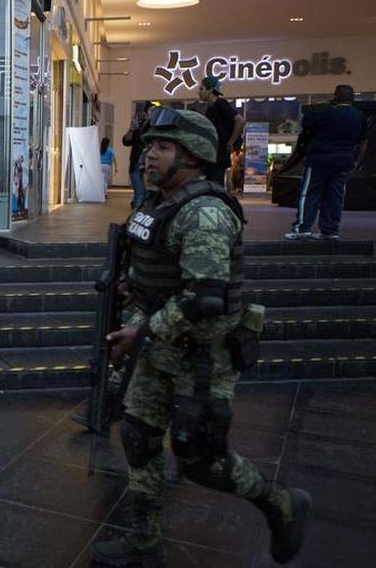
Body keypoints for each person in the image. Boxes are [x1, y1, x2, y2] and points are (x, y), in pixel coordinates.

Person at [92, 110, 311, 567]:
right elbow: (157, 268)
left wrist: (142, 330)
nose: (149, 155)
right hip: (159, 347)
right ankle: (144, 540)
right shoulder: (158, 203)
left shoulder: (205, 212)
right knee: (139, 437)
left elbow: (204, 299)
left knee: (200, 459)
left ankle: (281, 504)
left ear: (193, 158)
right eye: (150, 146)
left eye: (162, 148)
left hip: (201, 357)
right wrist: (135, 289)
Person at [284, 84, 368, 241]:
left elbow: (306, 122)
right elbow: (363, 142)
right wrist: (356, 161)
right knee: (335, 196)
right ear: (352, 98)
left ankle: (302, 229)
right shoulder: (359, 116)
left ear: (336, 96)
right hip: (344, 160)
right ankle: (330, 231)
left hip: (319, 159)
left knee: (309, 193)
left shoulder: (327, 112)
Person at [198, 76, 245, 185]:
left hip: (219, 157)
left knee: (215, 187)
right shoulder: (210, 108)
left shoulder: (220, 104)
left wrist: (230, 142)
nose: (198, 93)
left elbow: (240, 120)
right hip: (213, 156)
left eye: (201, 89)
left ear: (210, 90)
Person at [122, 102, 154, 209]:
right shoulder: (139, 127)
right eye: (150, 111)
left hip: (150, 166)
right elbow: (126, 141)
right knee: (140, 195)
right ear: (145, 113)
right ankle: (137, 217)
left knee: (146, 196)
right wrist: (131, 129)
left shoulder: (157, 128)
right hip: (136, 164)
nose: (152, 114)